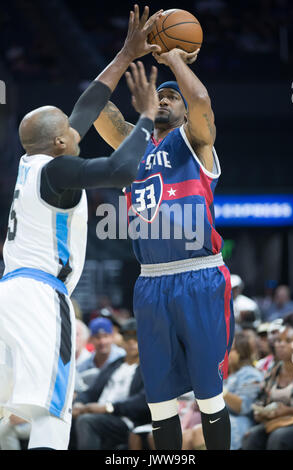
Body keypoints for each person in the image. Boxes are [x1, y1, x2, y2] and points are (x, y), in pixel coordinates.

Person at [0, 5, 162, 450]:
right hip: (39, 297)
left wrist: (126, 54)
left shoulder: (34, 162)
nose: (78, 131)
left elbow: (86, 106)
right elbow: (121, 169)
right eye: (70, 133)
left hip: (8, 296)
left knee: (6, 416)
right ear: (59, 143)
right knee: (54, 414)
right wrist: (145, 117)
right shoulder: (59, 170)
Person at [94, 14, 235, 450]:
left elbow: (202, 99)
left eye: (173, 97)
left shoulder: (197, 141)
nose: (167, 99)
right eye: (161, 95)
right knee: (159, 402)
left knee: (209, 397)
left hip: (199, 275)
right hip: (151, 282)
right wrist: (125, 55)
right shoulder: (132, 146)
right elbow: (95, 107)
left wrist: (175, 62)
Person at [72, 318, 151, 450]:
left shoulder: (149, 367)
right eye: (127, 337)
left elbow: (143, 400)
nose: (131, 342)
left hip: (125, 419)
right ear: (121, 340)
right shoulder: (115, 364)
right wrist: (79, 403)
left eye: (135, 337)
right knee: (68, 419)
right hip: (99, 414)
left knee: (86, 421)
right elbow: (92, 391)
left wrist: (109, 408)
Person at [242, 324, 293, 450]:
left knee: (278, 438)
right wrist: (260, 413)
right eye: (278, 340)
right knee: (251, 436)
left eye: (288, 341)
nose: (280, 344)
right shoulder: (273, 370)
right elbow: (260, 400)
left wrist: (290, 410)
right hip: (275, 421)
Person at [77, 317, 125, 390]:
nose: (102, 341)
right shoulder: (84, 365)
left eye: (105, 336)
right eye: (97, 337)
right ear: (91, 339)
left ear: (112, 337)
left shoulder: (123, 358)